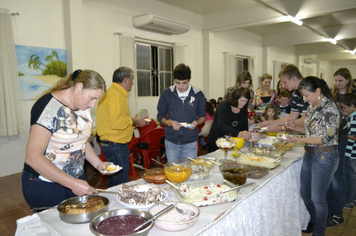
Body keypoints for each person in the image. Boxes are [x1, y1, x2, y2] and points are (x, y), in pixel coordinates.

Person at [21, 70, 110, 209]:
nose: (93, 105)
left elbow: (80, 139)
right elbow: (33, 158)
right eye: (92, 98)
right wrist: (72, 184)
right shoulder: (49, 108)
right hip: (46, 183)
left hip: (75, 177)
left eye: (96, 100)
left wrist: (98, 163)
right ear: (79, 87)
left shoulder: (82, 106)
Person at [285, 76, 341, 236]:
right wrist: (294, 129)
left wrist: (298, 138)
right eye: (302, 95)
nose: (304, 99)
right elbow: (310, 132)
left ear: (317, 91)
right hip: (310, 154)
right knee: (305, 193)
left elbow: (324, 139)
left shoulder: (330, 109)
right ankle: (318, 220)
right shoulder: (311, 107)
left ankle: (319, 231)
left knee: (318, 198)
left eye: (306, 95)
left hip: (325, 156)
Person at [96, 67, 147, 188]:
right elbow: (116, 122)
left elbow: (116, 119)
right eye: (132, 80)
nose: (133, 83)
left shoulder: (113, 92)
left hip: (113, 144)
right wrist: (133, 121)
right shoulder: (116, 95)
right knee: (120, 183)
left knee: (115, 182)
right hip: (115, 145)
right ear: (125, 80)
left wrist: (132, 121)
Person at [157, 63, 206, 162]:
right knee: (173, 173)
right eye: (177, 82)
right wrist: (169, 123)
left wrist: (196, 123)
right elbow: (160, 116)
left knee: (189, 172)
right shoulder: (167, 94)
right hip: (171, 142)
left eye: (184, 83)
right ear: (173, 79)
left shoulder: (198, 94)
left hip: (190, 142)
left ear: (189, 79)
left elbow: (202, 116)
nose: (181, 86)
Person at [326, 68, 353, 226]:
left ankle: (338, 213)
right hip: (331, 135)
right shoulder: (332, 93)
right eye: (335, 80)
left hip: (341, 136)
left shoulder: (351, 97)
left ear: (348, 81)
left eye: (340, 80)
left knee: (338, 175)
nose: (337, 83)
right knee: (330, 174)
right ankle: (331, 209)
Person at [259, 64, 308, 132]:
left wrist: (280, 128)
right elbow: (291, 117)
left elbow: (304, 120)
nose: (283, 86)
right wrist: (270, 123)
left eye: (284, 82)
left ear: (293, 79)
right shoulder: (296, 94)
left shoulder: (308, 91)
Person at [207, 88, 256, 153]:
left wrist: (246, 134)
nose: (243, 103)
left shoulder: (243, 109)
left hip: (233, 142)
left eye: (245, 101)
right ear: (235, 98)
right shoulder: (224, 106)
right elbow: (221, 125)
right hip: (218, 142)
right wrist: (238, 134)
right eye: (241, 100)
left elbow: (244, 127)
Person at [340, 94, 356, 211]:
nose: (343, 110)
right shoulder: (352, 117)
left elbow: (354, 136)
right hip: (350, 153)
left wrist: (343, 134)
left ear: (352, 106)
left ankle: (349, 201)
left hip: (351, 153)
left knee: (350, 177)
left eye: (345, 108)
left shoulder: (354, 118)